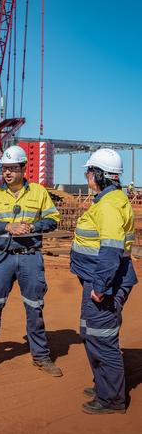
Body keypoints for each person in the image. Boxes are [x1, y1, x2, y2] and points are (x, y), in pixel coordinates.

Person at [0, 145, 63, 376]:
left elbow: (53, 219)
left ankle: (41, 356)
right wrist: (7, 227)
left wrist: (33, 226)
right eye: (5, 169)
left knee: (34, 307)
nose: (8, 173)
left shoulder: (39, 193)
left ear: (23, 168)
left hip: (30, 257)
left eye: (13, 168)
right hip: (2, 258)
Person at [71, 149, 137, 414]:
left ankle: (111, 399)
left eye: (89, 171)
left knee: (102, 338)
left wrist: (100, 287)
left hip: (104, 283)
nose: (86, 175)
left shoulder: (109, 205)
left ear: (98, 174)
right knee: (91, 333)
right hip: (99, 279)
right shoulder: (108, 200)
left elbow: (110, 250)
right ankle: (104, 384)